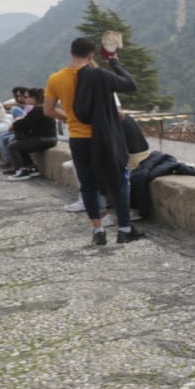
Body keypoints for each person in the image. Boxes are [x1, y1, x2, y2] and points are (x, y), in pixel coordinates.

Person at [66, 36, 145, 245]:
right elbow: (130, 84)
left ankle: (98, 231)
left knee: (88, 185)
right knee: (119, 180)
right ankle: (124, 229)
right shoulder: (101, 75)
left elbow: (55, 110)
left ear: (70, 52)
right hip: (105, 137)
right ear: (91, 55)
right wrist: (114, 61)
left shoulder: (60, 78)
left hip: (78, 138)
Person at [4, 88, 56, 179]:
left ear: (34, 98)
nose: (25, 99)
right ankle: (32, 169)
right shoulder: (43, 109)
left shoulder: (37, 111)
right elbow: (27, 123)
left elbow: (23, 125)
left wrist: (15, 124)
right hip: (49, 138)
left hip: (43, 139)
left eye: (26, 97)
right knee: (20, 145)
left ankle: (22, 171)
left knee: (12, 147)